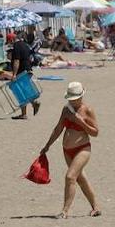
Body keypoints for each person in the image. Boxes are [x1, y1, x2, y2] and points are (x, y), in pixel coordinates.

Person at [40, 82, 101, 218]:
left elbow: (96, 132)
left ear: (81, 97)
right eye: (71, 99)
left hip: (83, 148)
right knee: (80, 179)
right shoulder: (66, 110)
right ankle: (96, 207)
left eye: (75, 99)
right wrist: (47, 145)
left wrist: (81, 122)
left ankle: (65, 211)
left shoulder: (88, 110)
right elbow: (58, 129)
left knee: (70, 176)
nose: (72, 101)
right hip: (67, 150)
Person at [11, 31, 41, 120]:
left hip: (22, 71)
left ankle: (28, 109)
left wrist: (14, 74)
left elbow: (17, 60)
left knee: (20, 92)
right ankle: (32, 104)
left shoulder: (17, 45)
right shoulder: (25, 45)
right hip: (28, 69)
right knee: (24, 91)